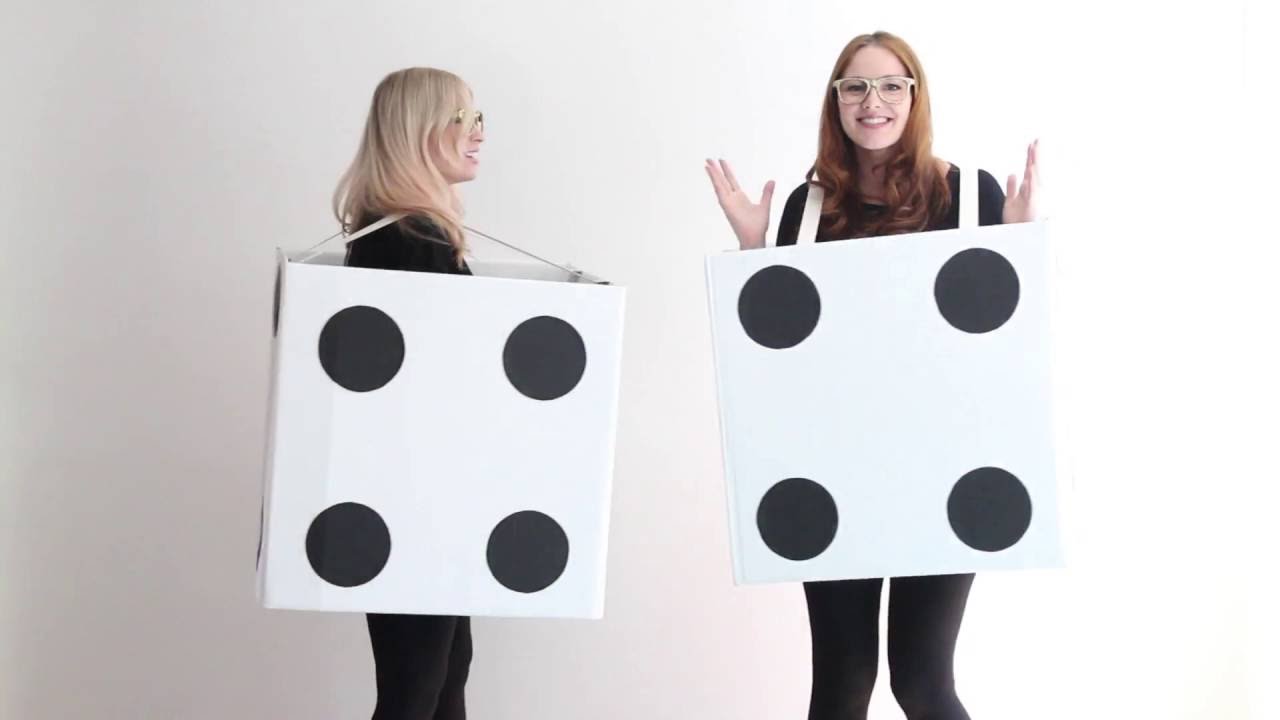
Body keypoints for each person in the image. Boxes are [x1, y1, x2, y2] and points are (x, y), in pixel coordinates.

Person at [705, 31, 1039, 720]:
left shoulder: (971, 199)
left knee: (920, 681)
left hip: (943, 464)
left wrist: (1018, 247)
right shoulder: (807, 209)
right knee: (842, 681)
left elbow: (1003, 354)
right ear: (836, 102)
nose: (872, 101)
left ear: (915, 98)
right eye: (854, 86)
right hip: (837, 466)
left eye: (890, 85)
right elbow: (779, 355)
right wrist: (751, 251)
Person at [331, 66, 486, 720]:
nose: (478, 133)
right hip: (416, 496)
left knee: (438, 674)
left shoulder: (394, 231)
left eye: (479, 118)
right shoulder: (409, 240)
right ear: (418, 132)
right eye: (461, 118)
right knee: (418, 685)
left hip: (409, 492)